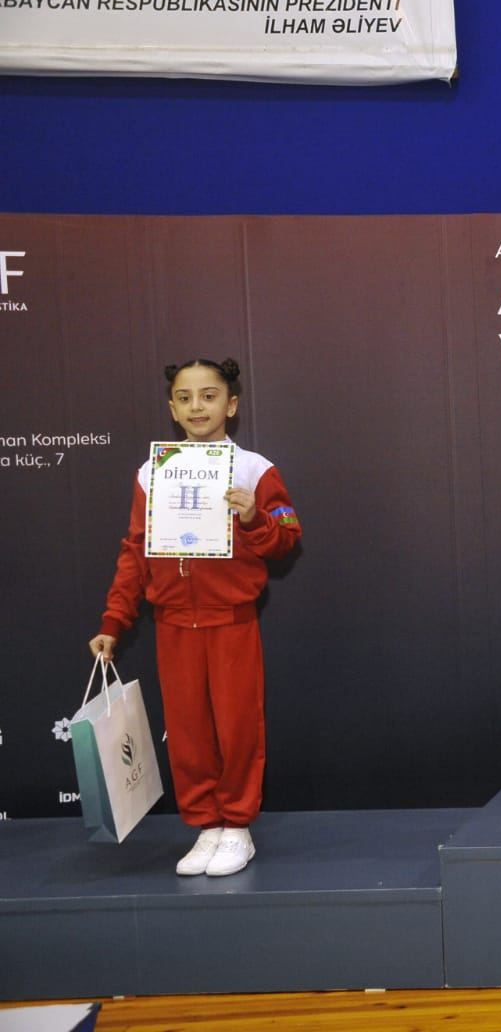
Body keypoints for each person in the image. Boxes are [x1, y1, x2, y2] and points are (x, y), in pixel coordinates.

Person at [87, 358, 302, 877]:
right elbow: (135, 551)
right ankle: (207, 825)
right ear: (172, 409)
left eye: (209, 396)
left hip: (232, 622)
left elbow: (287, 536)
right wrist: (114, 621)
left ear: (231, 404)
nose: (197, 407)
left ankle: (237, 827)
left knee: (237, 727)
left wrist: (252, 519)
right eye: (185, 398)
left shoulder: (254, 469)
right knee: (187, 732)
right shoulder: (153, 472)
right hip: (174, 623)